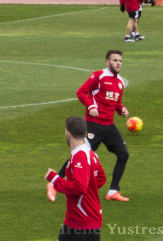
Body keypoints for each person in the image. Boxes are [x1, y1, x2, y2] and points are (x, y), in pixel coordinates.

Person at [47, 50, 131, 202]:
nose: (118, 63)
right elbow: (81, 92)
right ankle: (54, 183)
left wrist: (122, 110)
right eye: (115, 60)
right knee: (80, 155)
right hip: (93, 125)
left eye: (120, 61)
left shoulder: (120, 82)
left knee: (124, 154)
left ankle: (112, 191)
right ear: (107, 62)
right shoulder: (98, 76)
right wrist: (91, 105)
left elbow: (116, 102)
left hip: (109, 126)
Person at [45, 116, 106, 241]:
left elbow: (80, 187)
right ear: (85, 134)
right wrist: (71, 191)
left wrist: (55, 179)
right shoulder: (89, 153)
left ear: (68, 134)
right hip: (73, 220)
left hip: (84, 222)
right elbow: (100, 178)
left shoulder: (80, 157)